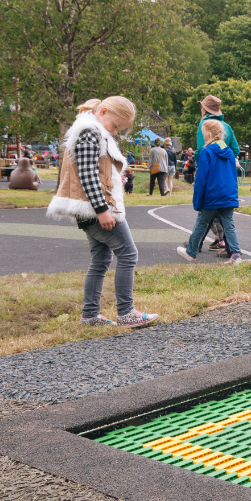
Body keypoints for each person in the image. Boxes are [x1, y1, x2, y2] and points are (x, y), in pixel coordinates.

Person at [47, 96, 158, 329]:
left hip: (90, 210)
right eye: (116, 126)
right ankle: (126, 312)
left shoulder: (90, 130)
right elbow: (88, 175)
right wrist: (102, 210)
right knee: (128, 254)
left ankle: (90, 316)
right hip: (96, 209)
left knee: (101, 260)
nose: (116, 132)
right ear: (103, 111)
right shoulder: (89, 133)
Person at [176, 119, 243, 264]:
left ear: (208, 134)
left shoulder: (206, 152)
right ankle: (236, 255)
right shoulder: (229, 152)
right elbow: (233, 175)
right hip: (227, 194)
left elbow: (201, 178)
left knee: (201, 223)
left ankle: (191, 252)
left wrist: (197, 199)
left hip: (211, 195)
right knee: (229, 224)